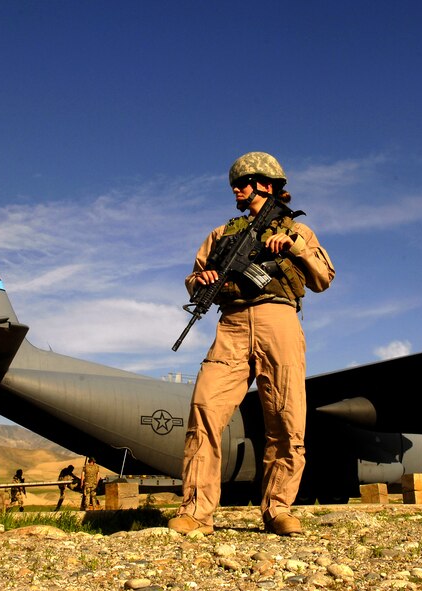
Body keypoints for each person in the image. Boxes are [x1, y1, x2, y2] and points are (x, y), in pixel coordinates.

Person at [168, 152, 335, 536]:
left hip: (279, 321)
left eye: (243, 183)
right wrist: (200, 280)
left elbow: (323, 278)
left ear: (266, 184)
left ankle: (278, 509)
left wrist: (293, 247)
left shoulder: (297, 230)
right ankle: (196, 512)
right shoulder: (221, 234)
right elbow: (194, 277)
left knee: (286, 418)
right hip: (231, 325)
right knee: (205, 408)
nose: (236, 190)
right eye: (235, 184)